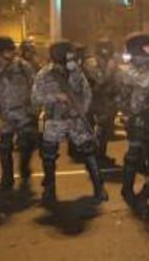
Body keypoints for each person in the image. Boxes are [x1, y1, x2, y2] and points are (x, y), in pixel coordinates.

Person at [32, 41, 108, 206]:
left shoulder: (76, 72)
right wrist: (55, 97)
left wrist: (82, 109)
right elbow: (35, 98)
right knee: (49, 155)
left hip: (76, 120)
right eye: (68, 54)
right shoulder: (44, 74)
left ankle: (99, 187)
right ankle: (49, 189)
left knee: (89, 151)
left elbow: (87, 92)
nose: (72, 57)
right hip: (55, 121)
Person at [113, 33, 149, 209]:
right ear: (138, 48)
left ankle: (148, 187)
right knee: (134, 156)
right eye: (147, 47)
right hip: (137, 118)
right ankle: (127, 190)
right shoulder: (126, 69)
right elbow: (145, 82)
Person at [0, 36, 38, 192]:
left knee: (26, 145)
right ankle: (7, 177)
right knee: (5, 147)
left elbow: (35, 89)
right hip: (4, 116)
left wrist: (34, 111)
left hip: (24, 114)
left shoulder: (23, 67)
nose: (7, 55)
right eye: (1, 53)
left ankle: (24, 168)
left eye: (9, 51)